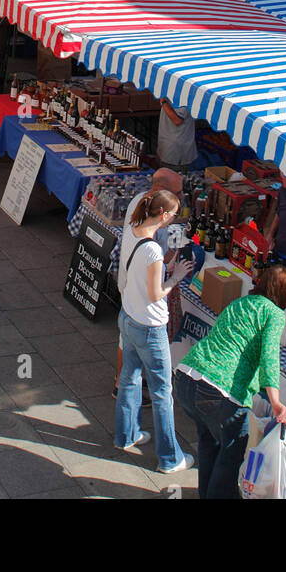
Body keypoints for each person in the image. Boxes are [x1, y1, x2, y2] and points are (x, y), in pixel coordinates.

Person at [175, 263, 286, 500]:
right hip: (223, 391)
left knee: (209, 441)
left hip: (187, 377)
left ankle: (206, 494)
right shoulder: (274, 313)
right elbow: (269, 357)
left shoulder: (239, 303)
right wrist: (277, 402)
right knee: (231, 454)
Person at [114, 188, 194, 475]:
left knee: (129, 378)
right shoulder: (154, 249)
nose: (174, 220)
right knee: (162, 393)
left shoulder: (133, 229)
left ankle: (126, 435)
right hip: (150, 327)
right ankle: (170, 458)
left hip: (128, 317)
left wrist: (166, 266)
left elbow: (141, 269)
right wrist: (176, 276)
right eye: (173, 215)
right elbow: (156, 292)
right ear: (163, 214)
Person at [112, 167, 204, 397]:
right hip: (141, 288)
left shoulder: (140, 203)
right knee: (133, 342)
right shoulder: (151, 236)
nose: (181, 198)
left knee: (128, 339)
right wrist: (173, 269)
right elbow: (155, 271)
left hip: (132, 281)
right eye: (177, 193)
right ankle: (123, 386)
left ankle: (126, 384)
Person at [157, 100, 197, 170]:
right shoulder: (170, 94)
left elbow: (177, 120)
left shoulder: (182, 96)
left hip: (176, 150)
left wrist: (163, 102)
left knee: (173, 177)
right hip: (168, 147)